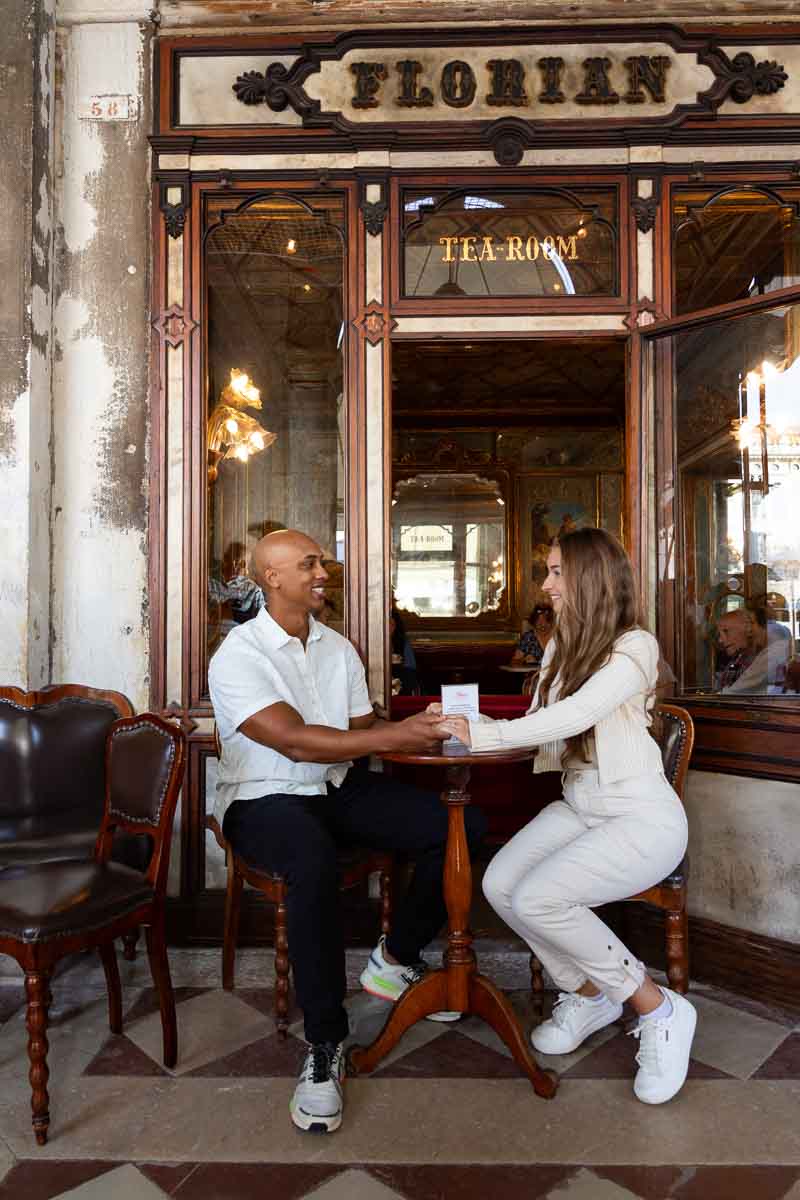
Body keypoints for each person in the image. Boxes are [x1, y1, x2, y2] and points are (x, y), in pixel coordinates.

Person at [208, 529, 485, 1135]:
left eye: (321, 563)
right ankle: (325, 1046)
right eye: (308, 564)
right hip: (264, 796)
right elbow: (294, 740)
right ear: (271, 578)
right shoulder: (238, 655)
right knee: (311, 857)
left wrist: (422, 723)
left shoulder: (337, 648)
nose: (321, 573)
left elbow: (364, 725)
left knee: (463, 826)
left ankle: (396, 957)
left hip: (334, 786)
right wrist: (396, 737)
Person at [435, 527, 696, 1106]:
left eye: (556, 572)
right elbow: (538, 722)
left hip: (640, 817)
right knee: (501, 884)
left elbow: (574, 714)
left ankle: (657, 1008)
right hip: (581, 803)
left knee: (539, 899)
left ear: (589, 579)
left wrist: (479, 734)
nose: (546, 583)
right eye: (548, 571)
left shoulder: (636, 647)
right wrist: (452, 721)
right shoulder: (561, 645)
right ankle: (587, 992)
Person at [716, 607, 791, 694]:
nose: (720, 640)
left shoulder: (772, 654)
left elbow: (732, 693)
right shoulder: (738, 659)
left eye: (726, 631)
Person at [511, 603, 555, 671]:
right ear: (533, 622)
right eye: (538, 621)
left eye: (546, 620)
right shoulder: (528, 637)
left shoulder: (558, 637)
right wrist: (524, 660)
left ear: (552, 622)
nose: (542, 624)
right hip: (534, 679)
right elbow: (514, 662)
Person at [390, 604, 419, 694]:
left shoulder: (402, 641)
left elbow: (411, 673)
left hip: (400, 687)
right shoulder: (371, 642)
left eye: (391, 624)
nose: (388, 627)